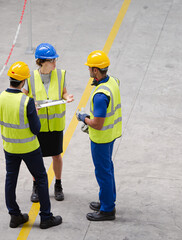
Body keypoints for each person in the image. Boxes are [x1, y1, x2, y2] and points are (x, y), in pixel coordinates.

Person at [0, 61, 62, 229]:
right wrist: (35, 114)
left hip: (9, 147)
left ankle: (14, 216)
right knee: (42, 179)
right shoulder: (27, 101)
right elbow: (36, 129)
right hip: (29, 148)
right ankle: (46, 217)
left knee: (10, 180)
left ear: (11, 79)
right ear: (23, 81)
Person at [22, 43, 74, 202]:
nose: (55, 64)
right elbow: (22, 98)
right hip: (38, 126)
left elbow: (64, 93)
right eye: (52, 61)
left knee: (57, 155)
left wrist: (67, 97)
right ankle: (36, 185)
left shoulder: (60, 74)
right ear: (42, 61)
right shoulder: (30, 77)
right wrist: (30, 105)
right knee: (36, 158)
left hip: (56, 125)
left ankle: (58, 185)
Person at [76, 50, 122, 221]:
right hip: (111, 135)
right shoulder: (113, 82)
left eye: (90, 68)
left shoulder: (101, 96)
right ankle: (107, 199)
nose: (88, 70)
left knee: (103, 172)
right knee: (108, 169)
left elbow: (97, 123)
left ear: (96, 70)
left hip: (101, 138)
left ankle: (108, 209)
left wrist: (84, 118)